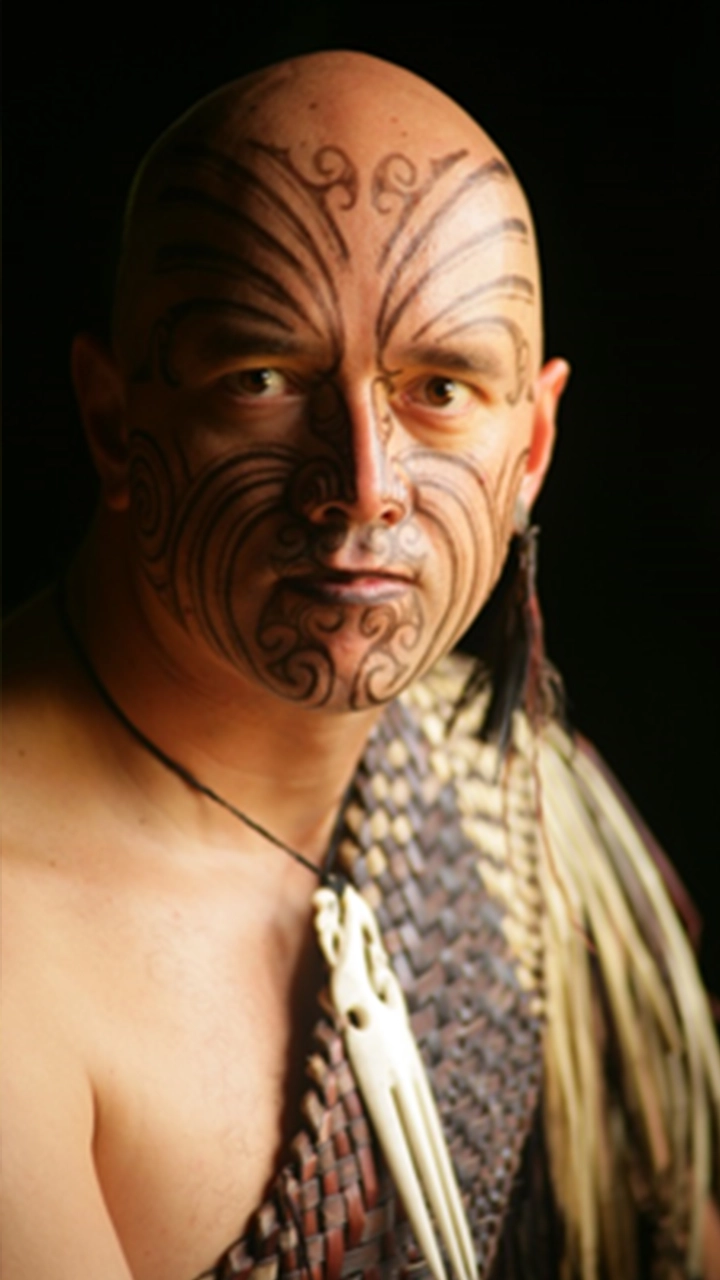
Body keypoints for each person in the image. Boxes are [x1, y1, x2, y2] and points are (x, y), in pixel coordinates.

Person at [2, 49, 718, 1280]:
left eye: (439, 391)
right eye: (264, 381)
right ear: (116, 424)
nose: (364, 492)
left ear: (532, 444)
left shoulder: (509, 789)